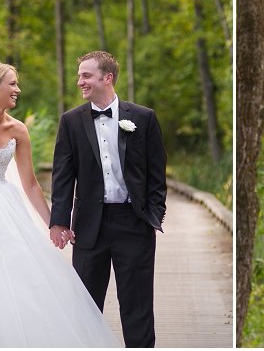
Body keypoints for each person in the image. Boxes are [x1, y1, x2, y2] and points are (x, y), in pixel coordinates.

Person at [0, 62, 119, 347]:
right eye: (12, 84)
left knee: (21, 274)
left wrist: (55, 223)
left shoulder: (18, 130)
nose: (17, 89)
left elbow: (30, 184)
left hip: (7, 205)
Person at [50, 50, 167, 348]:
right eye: (79, 76)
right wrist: (59, 222)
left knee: (137, 304)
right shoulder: (71, 122)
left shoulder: (143, 117)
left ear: (108, 77)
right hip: (90, 227)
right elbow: (63, 177)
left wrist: (153, 215)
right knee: (86, 306)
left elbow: (157, 174)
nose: (80, 82)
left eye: (86, 75)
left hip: (134, 223)